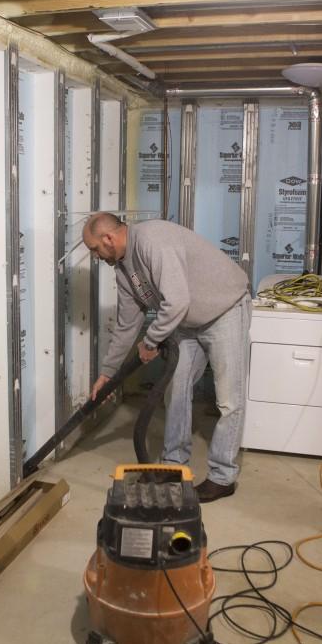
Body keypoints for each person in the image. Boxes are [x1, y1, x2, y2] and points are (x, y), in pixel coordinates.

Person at [84, 212, 252, 503]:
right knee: (175, 391)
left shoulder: (152, 240)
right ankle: (173, 465)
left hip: (224, 311)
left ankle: (222, 476)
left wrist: (151, 341)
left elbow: (176, 300)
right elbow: (127, 323)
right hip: (186, 323)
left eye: (95, 249)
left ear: (108, 238)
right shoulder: (123, 269)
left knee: (229, 399)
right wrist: (107, 373)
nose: (96, 256)